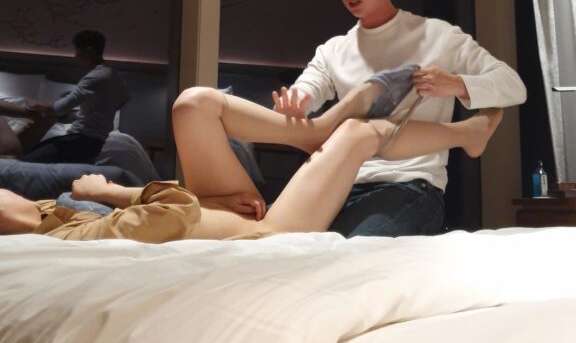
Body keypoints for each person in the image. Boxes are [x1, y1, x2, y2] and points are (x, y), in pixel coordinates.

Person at [0, 79, 503, 240]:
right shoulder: (72, 237)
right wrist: (109, 192)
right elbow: (167, 214)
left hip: (213, 210)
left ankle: (312, 133)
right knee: (355, 135)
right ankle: (468, 134)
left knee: (195, 104)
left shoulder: (54, 211)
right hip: (263, 235)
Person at [271, 0, 527, 238]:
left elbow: (513, 85)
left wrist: (456, 84)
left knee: (353, 252)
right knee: (280, 243)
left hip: (408, 185)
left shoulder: (437, 35)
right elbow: (305, 90)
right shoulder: (333, 50)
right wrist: (293, 106)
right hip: (338, 182)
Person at [23, 30, 130, 165]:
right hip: (95, 143)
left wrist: (35, 104)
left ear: (88, 51)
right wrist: (95, 114)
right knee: (36, 149)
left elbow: (59, 108)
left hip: (81, 140)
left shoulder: (94, 77)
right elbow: (123, 99)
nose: (75, 56)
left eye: (77, 51)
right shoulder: (113, 74)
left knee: (25, 162)